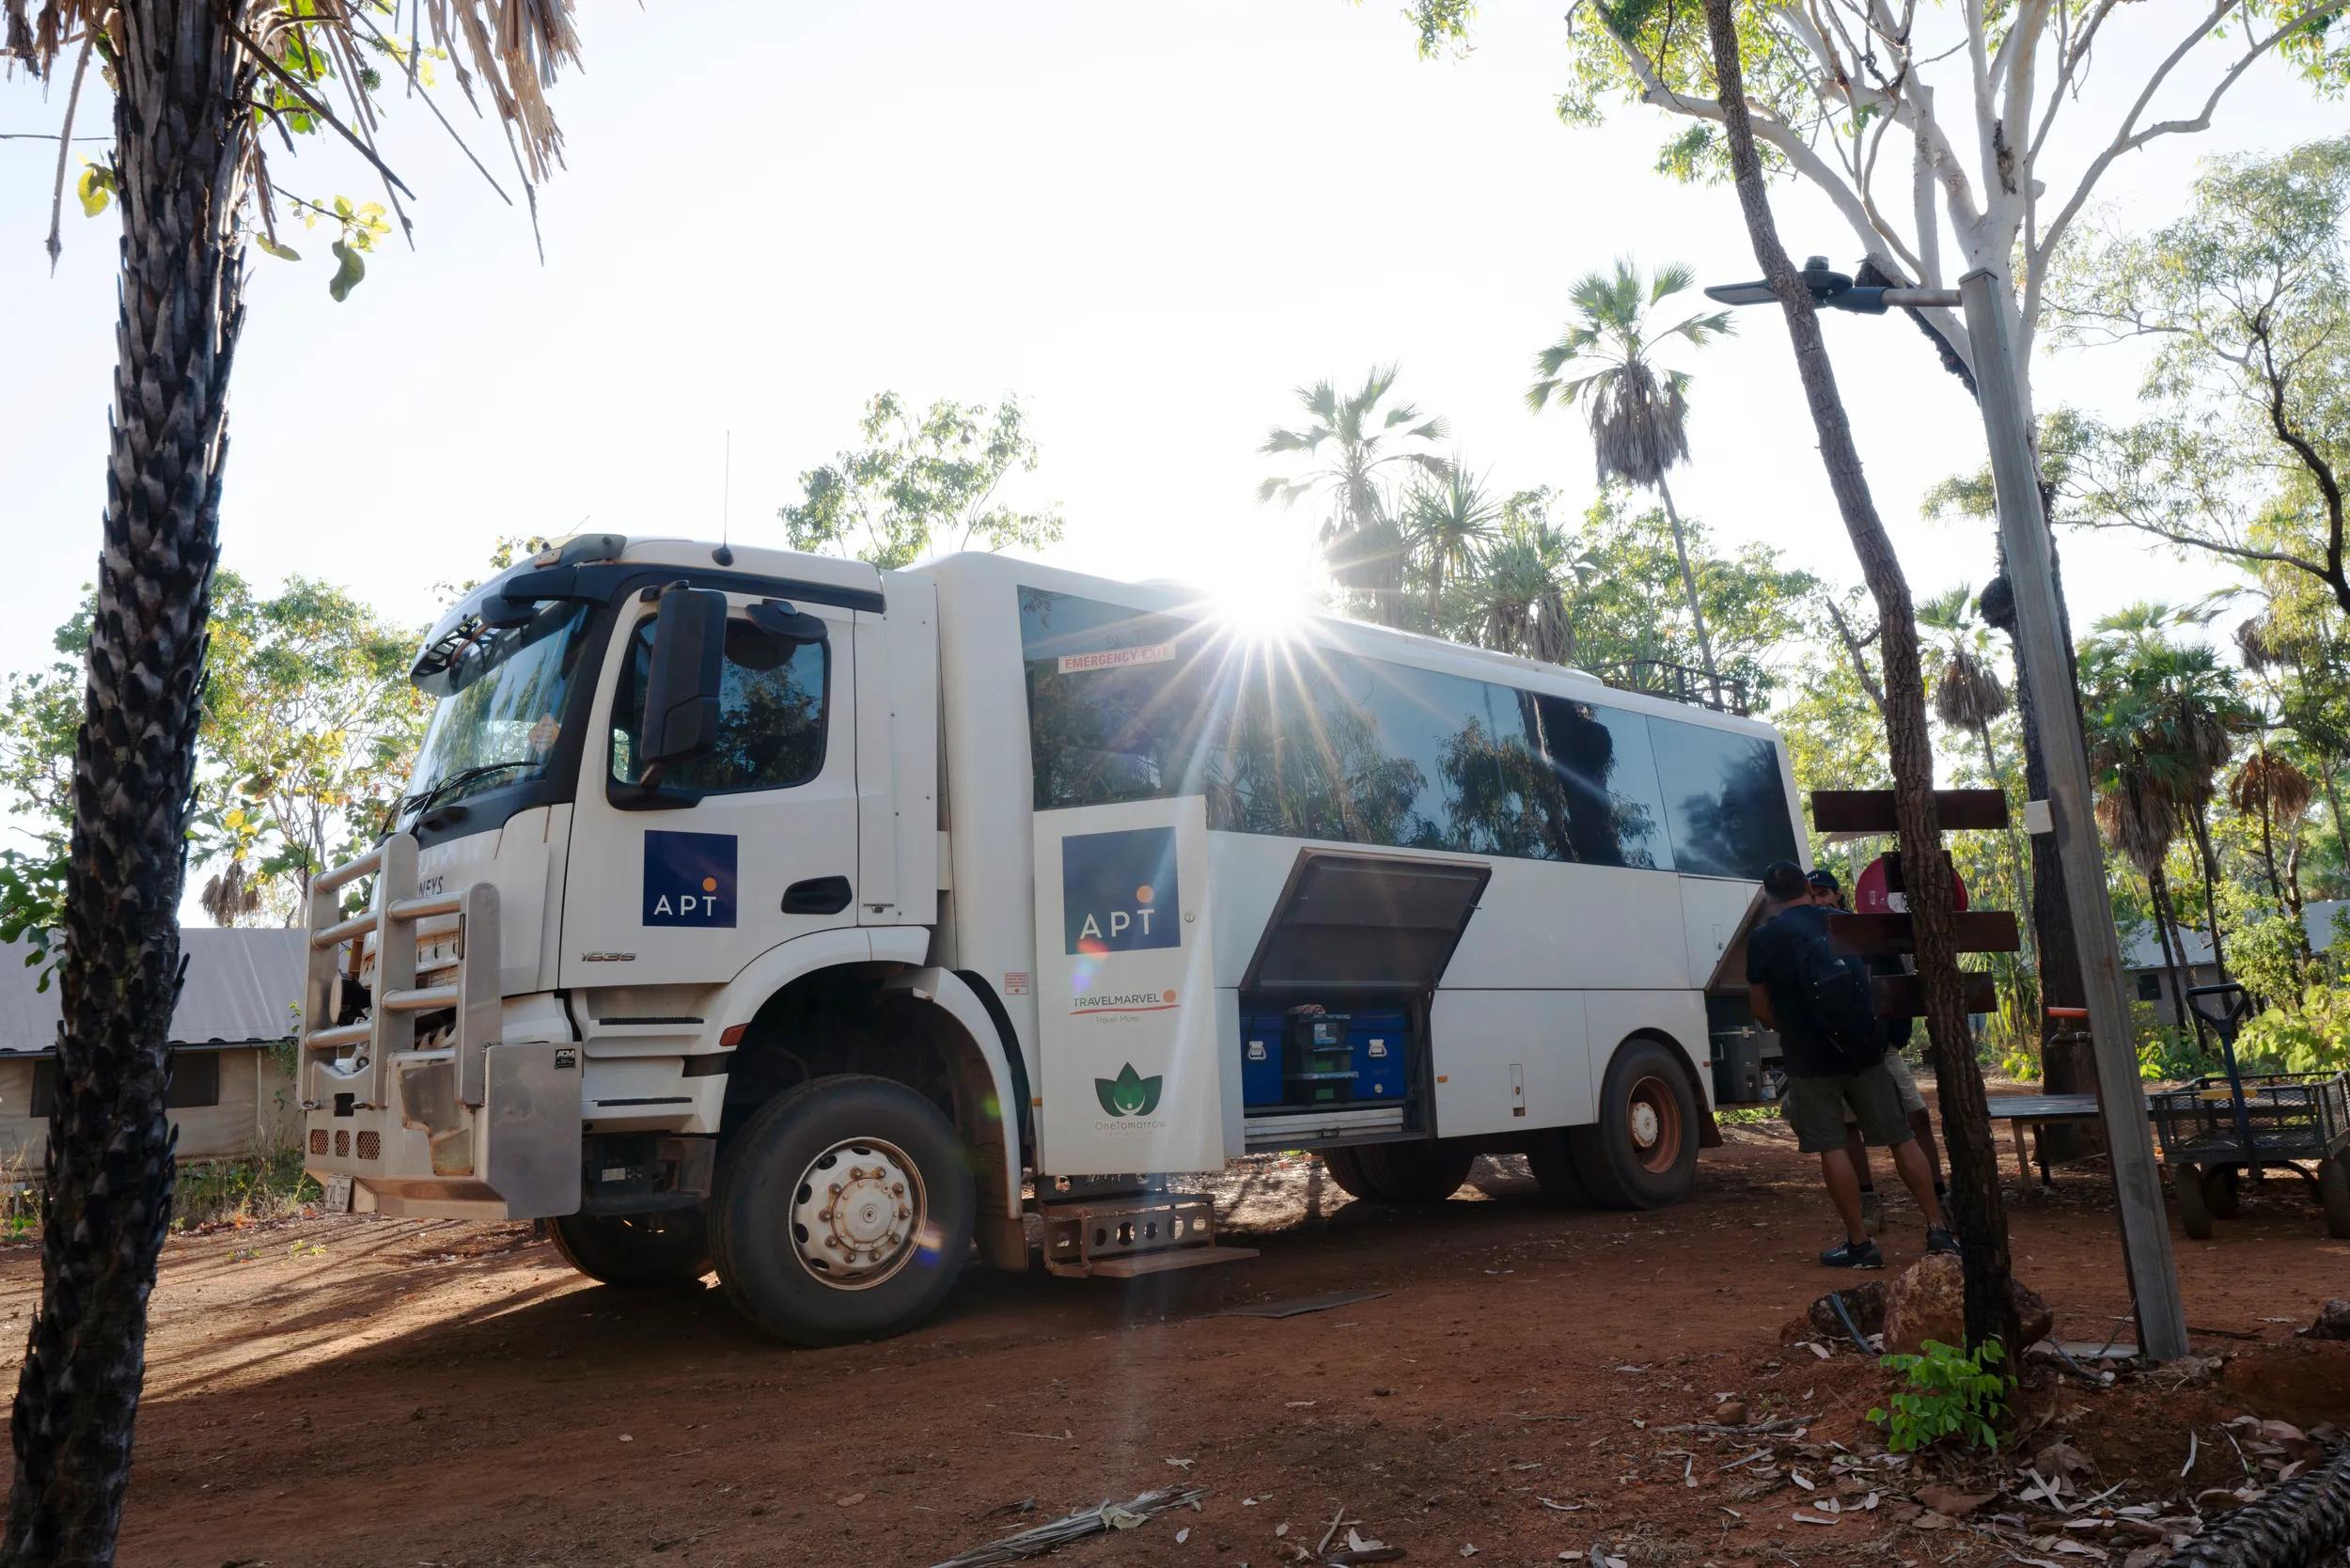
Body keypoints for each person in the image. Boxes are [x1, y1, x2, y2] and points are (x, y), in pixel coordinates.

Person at [1747, 860, 1959, 1268]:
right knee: (1901, 1137)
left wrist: (1793, 1027)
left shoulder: (1764, 939)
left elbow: (1760, 1007)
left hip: (1809, 1060)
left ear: (1769, 897)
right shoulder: (1843, 922)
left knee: (1833, 1147)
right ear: (1806, 889)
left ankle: (1861, 1244)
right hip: (1865, 1051)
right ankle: (1938, 1229)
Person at [1808, 868, 1946, 1232]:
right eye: (1812, 895)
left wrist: (1893, 1037)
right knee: (1847, 1126)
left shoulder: (1867, 933)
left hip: (1881, 1048)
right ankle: (1868, 1199)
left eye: (1824, 893)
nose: (1819, 901)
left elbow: (1895, 985)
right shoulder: (1806, 940)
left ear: (1838, 895)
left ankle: (1940, 1196)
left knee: (1916, 1117)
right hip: (1836, 1052)